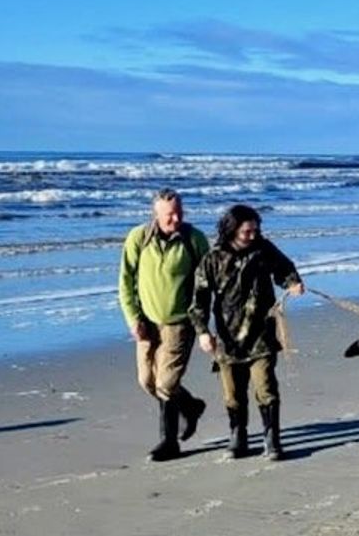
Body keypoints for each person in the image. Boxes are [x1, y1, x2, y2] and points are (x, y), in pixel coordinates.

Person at [190, 204, 305, 460]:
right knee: (233, 393)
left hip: (261, 334)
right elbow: (199, 299)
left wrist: (293, 282)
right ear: (232, 230)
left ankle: (272, 439)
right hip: (228, 340)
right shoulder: (213, 259)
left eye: (256, 230)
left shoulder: (264, 249)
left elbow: (284, 269)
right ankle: (238, 435)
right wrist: (202, 332)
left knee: (265, 387)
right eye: (247, 231)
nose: (253, 235)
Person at [117, 187, 210, 461]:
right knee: (147, 381)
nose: (176, 218)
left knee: (166, 383)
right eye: (169, 214)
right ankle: (191, 406)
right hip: (147, 323)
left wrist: (202, 322)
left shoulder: (194, 240)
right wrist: (133, 318)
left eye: (179, 212)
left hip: (180, 323)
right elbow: (125, 281)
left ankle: (169, 442)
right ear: (155, 214)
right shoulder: (138, 238)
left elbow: (206, 283)